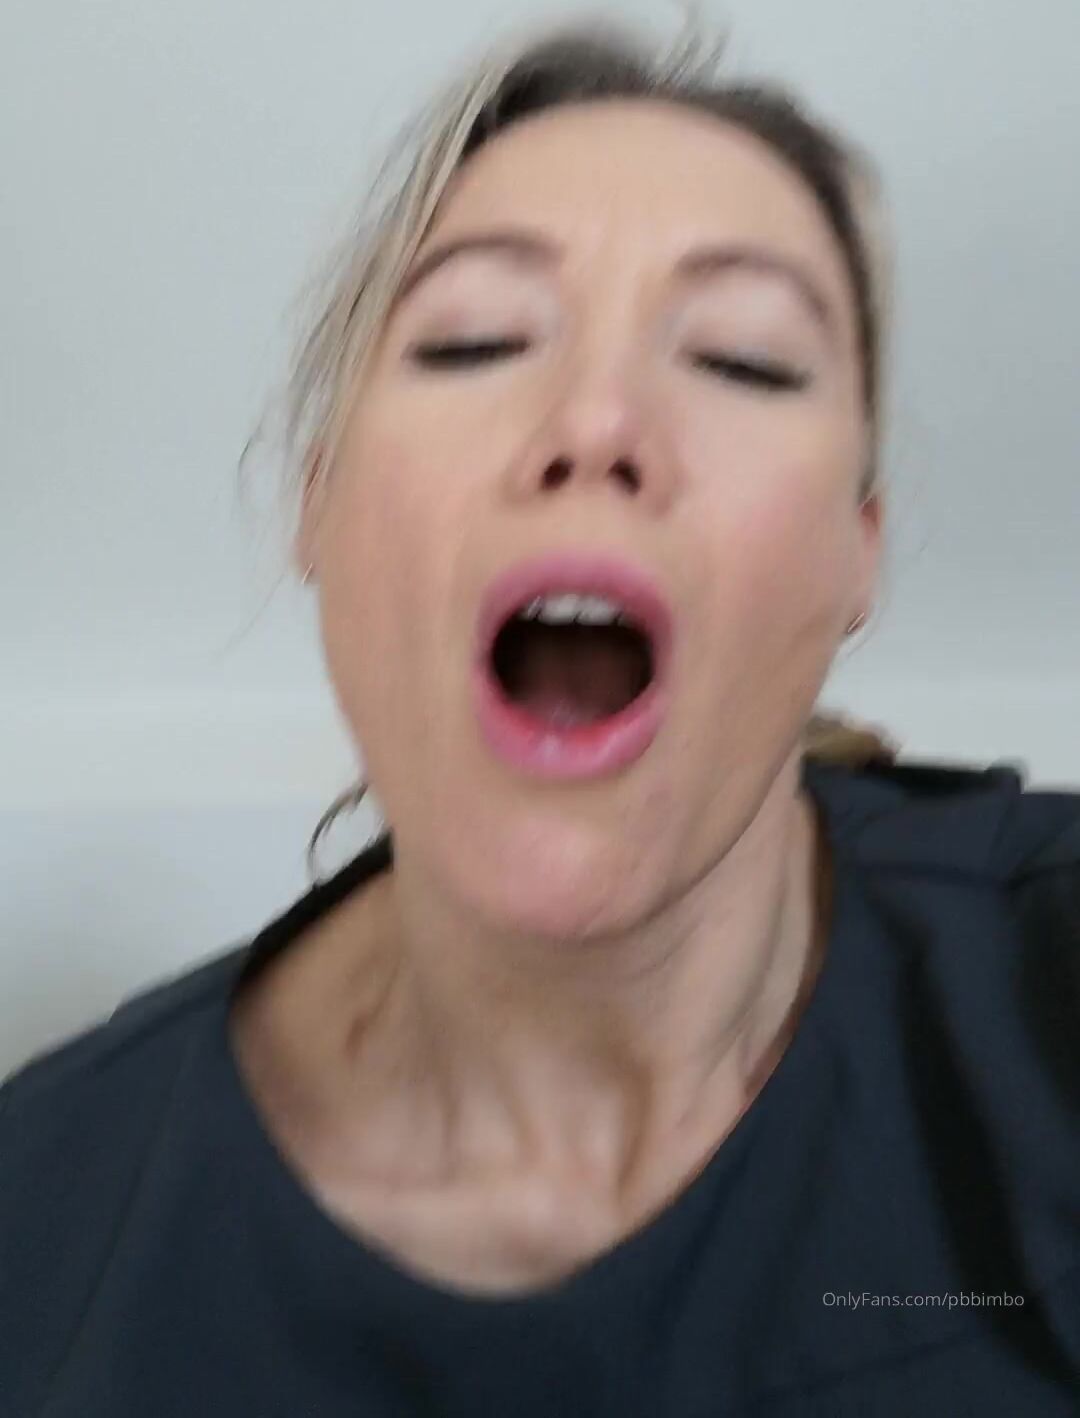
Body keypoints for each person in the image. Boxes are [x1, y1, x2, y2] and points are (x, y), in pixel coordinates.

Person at [3, 12, 1078, 1415]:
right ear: (317, 506)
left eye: (744, 359)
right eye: (476, 340)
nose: (597, 420)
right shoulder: (42, 1221)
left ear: (854, 551)